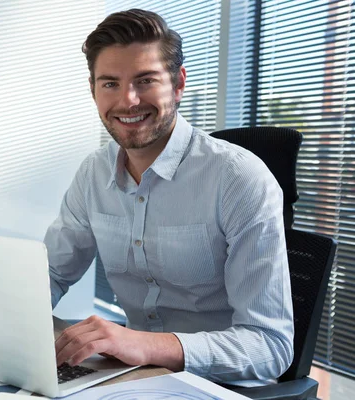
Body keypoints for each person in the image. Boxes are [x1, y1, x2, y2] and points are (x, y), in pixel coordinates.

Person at [44, 9, 294, 385]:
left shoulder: (239, 178)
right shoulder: (93, 173)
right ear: (93, 90)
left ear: (178, 84)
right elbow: (49, 274)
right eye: (110, 83)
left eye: (145, 81)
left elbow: (270, 346)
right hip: (132, 379)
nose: (128, 101)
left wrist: (147, 345)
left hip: (221, 386)